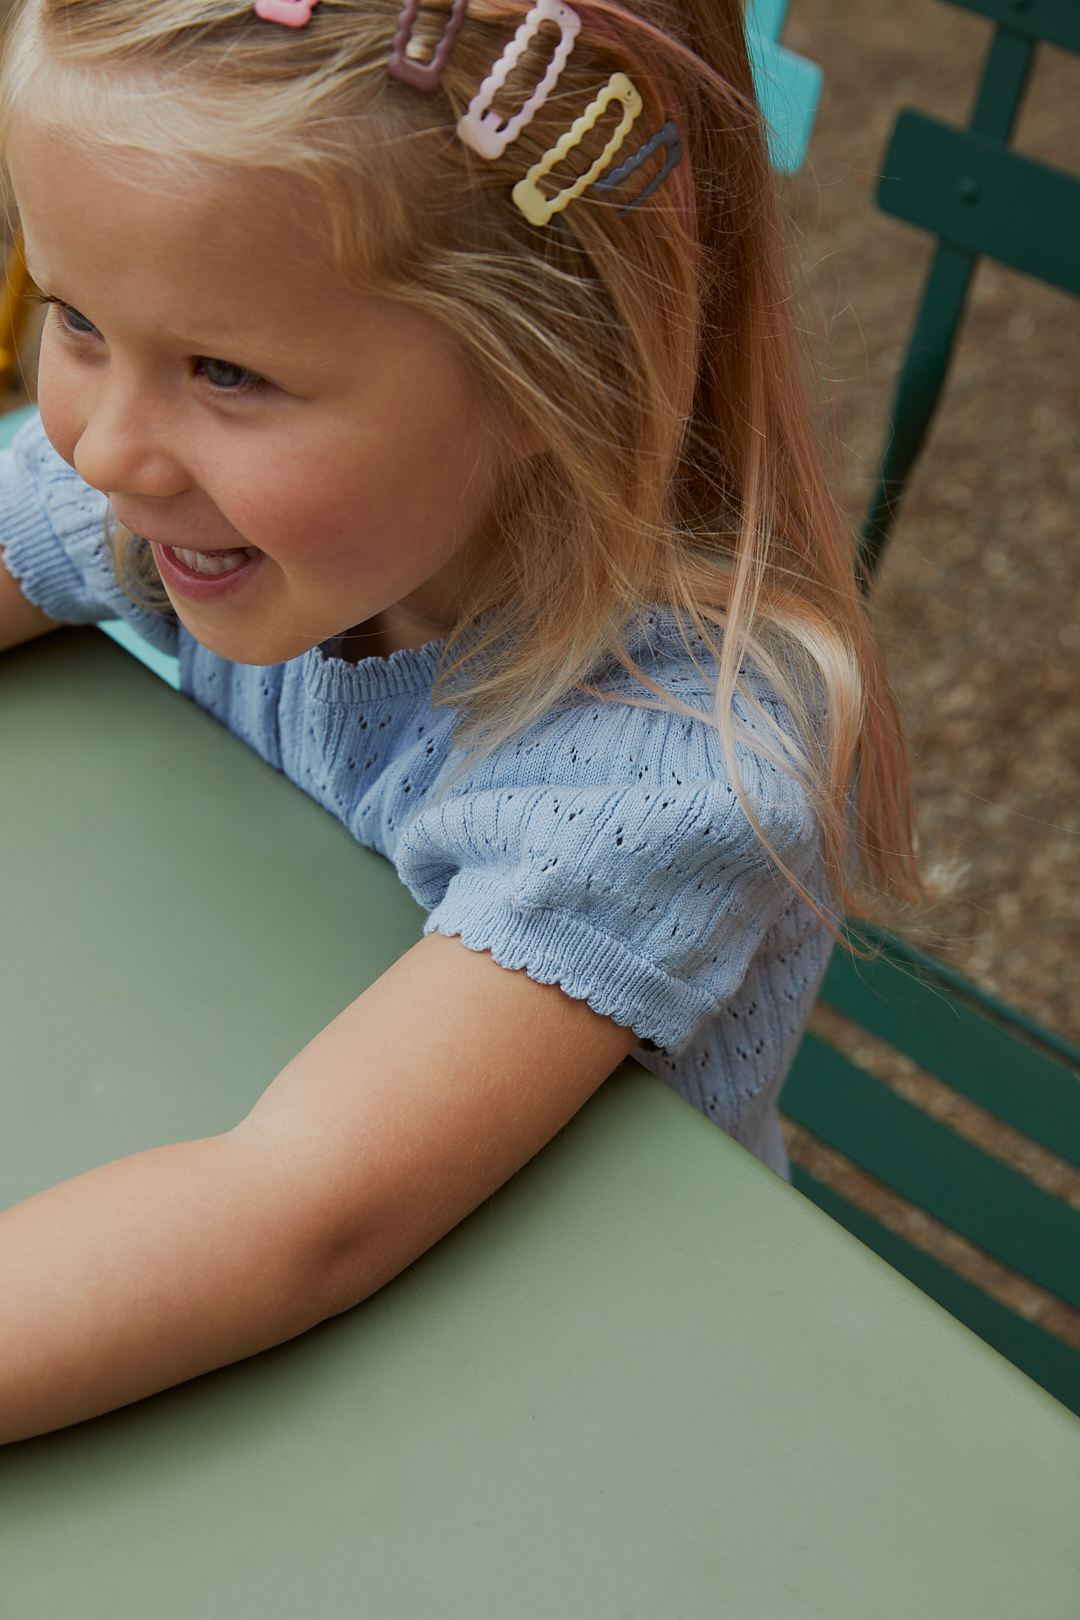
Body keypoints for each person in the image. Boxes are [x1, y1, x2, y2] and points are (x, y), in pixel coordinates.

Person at [0, 0, 938, 1443]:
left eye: (226, 374)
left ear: (547, 376)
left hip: (580, 1393)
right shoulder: (209, 503)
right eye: (74, 318)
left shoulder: (669, 755)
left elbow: (298, 1211)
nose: (104, 443)